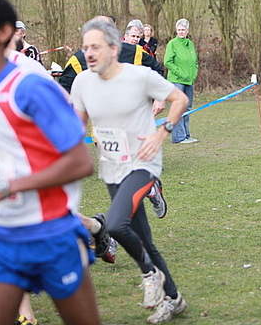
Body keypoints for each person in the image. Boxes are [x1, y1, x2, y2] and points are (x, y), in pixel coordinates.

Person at [0, 0, 100, 325]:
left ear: (4, 32)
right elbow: (4, 157)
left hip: (51, 233)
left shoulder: (30, 85)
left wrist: (6, 187)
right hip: (0, 236)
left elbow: (81, 162)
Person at [71, 18, 190, 324]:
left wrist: (162, 132)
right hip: (112, 167)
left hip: (143, 163)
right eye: (85, 47)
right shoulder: (82, 83)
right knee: (144, 239)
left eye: (95, 47)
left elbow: (180, 99)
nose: (88, 53)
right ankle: (174, 299)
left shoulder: (140, 76)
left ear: (114, 48)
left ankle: (150, 274)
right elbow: (74, 128)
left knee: (115, 224)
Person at [164, 18, 198, 144]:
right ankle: (178, 136)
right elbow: (168, 61)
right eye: (179, 30)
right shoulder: (172, 44)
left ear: (187, 30)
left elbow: (194, 61)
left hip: (189, 81)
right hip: (177, 80)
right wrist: (180, 73)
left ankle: (186, 134)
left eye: (183, 30)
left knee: (187, 107)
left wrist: (194, 73)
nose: (181, 32)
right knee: (178, 106)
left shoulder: (190, 44)